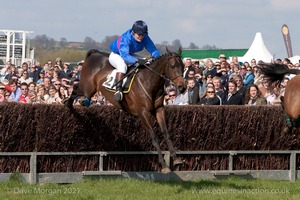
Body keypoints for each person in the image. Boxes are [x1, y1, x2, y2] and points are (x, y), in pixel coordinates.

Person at [109, 20, 160, 101]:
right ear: (133, 32)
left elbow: (153, 50)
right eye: (139, 35)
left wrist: (158, 59)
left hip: (129, 54)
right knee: (122, 66)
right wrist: (136, 60)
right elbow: (124, 56)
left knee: (146, 62)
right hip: (117, 54)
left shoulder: (145, 38)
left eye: (142, 35)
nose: (141, 37)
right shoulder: (126, 38)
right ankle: (118, 91)